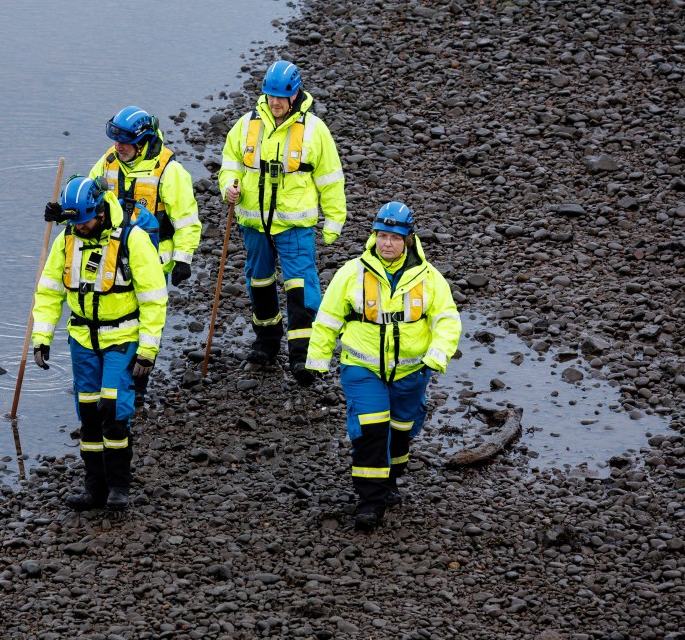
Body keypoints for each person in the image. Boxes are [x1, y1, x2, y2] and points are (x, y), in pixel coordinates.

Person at [305, 202, 461, 532]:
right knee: (371, 430)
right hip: (362, 368)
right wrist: (315, 362)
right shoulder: (351, 273)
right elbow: (328, 319)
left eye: (394, 237)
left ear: (408, 239)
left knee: (402, 432)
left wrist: (437, 356)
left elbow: (447, 320)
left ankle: (390, 480)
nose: (386, 243)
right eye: (381, 236)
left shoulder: (430, 278)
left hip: (412, 370)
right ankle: (369, 501)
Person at [33, 176, 167, 512]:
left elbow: (153, 300)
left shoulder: (132, 241)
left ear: (102, 213)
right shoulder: (66, 239)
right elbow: (50, 292)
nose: (80, 228)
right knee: (89, 414)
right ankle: (94, 489)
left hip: (122, 337)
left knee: (114, 410)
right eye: (74, 222)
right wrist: (42, 338)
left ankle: (119, 487)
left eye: (85, 221)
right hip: (82, 339)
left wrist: (148, 351)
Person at [219, 60, 347, 385]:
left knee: (301, 286)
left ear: (295, 95)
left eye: (282, 96)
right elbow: (230, 163)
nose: (275, 102)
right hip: (253, 222)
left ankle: (303, 355)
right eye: (270, 95)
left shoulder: (315, 130)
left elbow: (330, 179)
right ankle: (267, 340)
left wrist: (334, 220)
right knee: (259, 281)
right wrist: (228, 187)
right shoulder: (246, 125)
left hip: (295, 226)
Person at [91, 105, 201, 405]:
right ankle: (108, 374)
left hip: (152, 261)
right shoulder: (108, 162)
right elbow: (88, 197)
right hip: (110, 257)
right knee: (108, 315)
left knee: (143, 322)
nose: (118, 146)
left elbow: (187, 220)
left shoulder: (169, 171)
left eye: (125, 141)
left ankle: (136, 384)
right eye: (116, 140)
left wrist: (183, 259)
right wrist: (64, 210)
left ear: (143, 141)